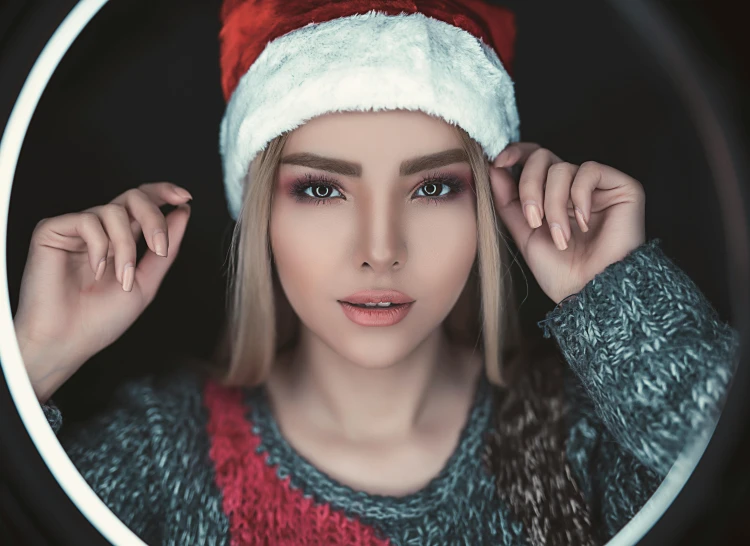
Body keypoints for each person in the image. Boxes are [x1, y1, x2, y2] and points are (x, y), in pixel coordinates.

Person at [12, 1, 740, 545]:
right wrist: (32, 361)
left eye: (432, 188)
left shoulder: (588, 444)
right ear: (262, 209)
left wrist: (619, 292)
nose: (381, 248)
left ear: (487, 204)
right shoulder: (157, 460)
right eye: (322, 189)